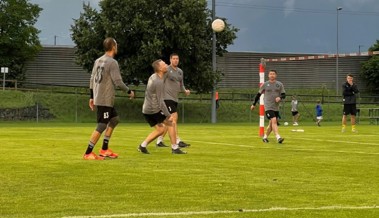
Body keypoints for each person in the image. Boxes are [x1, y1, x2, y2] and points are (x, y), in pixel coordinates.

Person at [84, 37, 134, 160]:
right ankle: (88, 153)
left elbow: (92, 79)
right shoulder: (112, 62)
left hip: (99, 97)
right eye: (116, 45)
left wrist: (91, 97)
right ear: (113, 47)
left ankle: (104, 149)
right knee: (101, 125)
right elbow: (118, 81)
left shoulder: (98, 60)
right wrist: (129, 91)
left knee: (115, 119)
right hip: (105, 98)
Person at [139, 59, 187, 154]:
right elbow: (161, 102)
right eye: (164, 64)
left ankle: (142, 146)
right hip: (153, 109)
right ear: (160, 68)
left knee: (161, 129)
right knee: (171, 122)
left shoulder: (155, 76)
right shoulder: (158, 82)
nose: (166, 65)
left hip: (146, 109)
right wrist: (168, 115)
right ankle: (175, 148)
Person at [155, 53, 191, 148]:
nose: (175, 60)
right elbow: (160, 80)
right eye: (174, 58)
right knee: (174, 118)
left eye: (177, 58)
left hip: (175, 99)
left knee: (169, 121)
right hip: (167, 98)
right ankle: (177, 141)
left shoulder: (180, 71)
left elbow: (181, 85)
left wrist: (185, 91)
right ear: (170, 60)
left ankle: (159, 141)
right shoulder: (166, 70)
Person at [251, 70, 285, 143]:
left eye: (273, 74)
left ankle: (265, 137)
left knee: (271, 124)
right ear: (268, 75)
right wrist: (254, 104)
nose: (272, 75)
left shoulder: (280, 84)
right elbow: (258, 95)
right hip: (268, 106)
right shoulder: (265, 84)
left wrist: (280, 97)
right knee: (274, 120)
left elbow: (283, 94)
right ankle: (278, 137)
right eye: (270, 74)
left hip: (276, 107)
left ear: (276, 75)